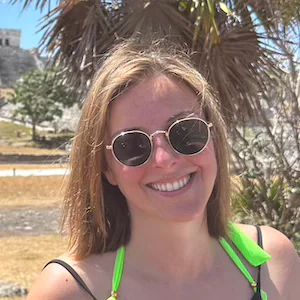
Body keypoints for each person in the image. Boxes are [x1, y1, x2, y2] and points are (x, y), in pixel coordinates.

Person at [27, 40, 299, 300]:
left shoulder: (275, 262)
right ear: (105, 168)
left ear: (214, 138)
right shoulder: (69, 290)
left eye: (185, 131)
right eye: (132, 145)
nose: (164, 159)